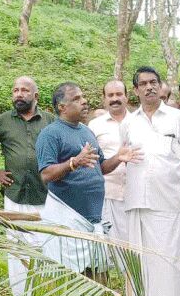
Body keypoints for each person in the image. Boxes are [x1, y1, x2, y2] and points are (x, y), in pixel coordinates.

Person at [120, 67, 180, 296]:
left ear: (161, 86)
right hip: (138, 202)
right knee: (141, 262)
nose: (149, 87)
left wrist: (169, 181)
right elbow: (124, 155)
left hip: (168, 203)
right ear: (136, 90)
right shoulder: (128, 123)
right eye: (143, 83)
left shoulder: (178, 119)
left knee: (170, 261)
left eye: (154, 82)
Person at [36, 82, 141, 274]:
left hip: (94, 218)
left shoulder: (86, 131)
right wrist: (73, 163)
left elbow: (100, 168)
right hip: (67, 216)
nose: (84, 102)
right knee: (70, 276)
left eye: (83, 97)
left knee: (97, 273)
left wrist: (118, 157)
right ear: (62, 107)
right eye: (76, 99)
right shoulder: (50, 134)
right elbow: (45, 174)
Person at [0, 76, 56, 296]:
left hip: (46, 196)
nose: (19, 94)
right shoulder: (2, 122)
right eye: (15, 90)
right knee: (17, 248)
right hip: (15, 194)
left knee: (46, 247)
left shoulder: (51, 122)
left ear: (36, 96)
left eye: (24, 90)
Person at [89, 80, 131, 242]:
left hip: (137, 194)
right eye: (110, 95)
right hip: (107, 194)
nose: (115, 98)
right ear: (104, 99)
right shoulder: (95, 125)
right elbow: (92, 162)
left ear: (126, 97)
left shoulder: (139, 122)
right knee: (109, 245)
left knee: (136, 246)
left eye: (119, 94)